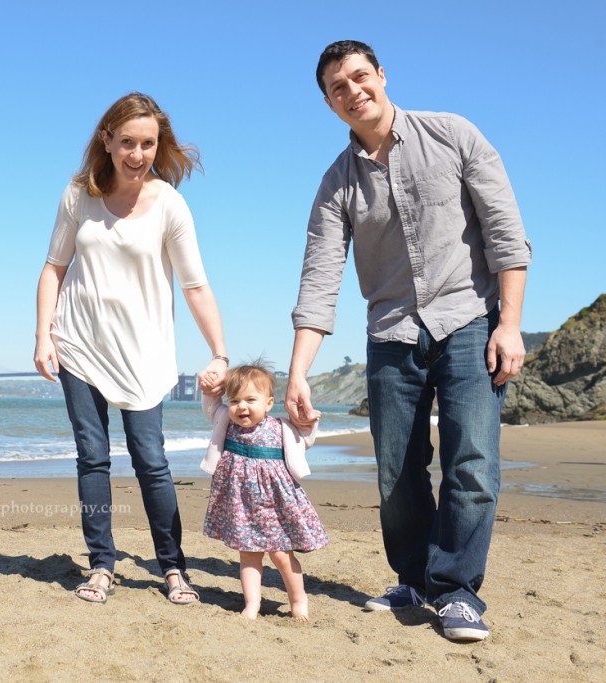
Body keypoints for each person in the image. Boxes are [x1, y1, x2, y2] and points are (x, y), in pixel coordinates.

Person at [286, 40, 531, 641]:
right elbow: (320, 281)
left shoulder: (452, 133)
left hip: (470, 320)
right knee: (397, 476)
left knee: (471, 463)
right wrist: (297, 373)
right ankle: (416, 577)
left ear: (382, 75)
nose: (353, 92)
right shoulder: (335, 184)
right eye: (338, 88)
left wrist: (510, 324)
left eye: (360, 77)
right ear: (328, 102)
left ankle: (456, 592)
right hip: (391, 335)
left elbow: (506, 234)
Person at [34, 92, 228, 605]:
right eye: (127, 143)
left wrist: (219, 353)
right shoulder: (78, 195)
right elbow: (53, 268)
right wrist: (42, 335)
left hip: (144, 351)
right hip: (78, 343)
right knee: (93, 457)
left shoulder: (169, 203)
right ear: (107, 141)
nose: (137, 154)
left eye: (147, 143)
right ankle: (101, 565)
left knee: (151, 460)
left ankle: (173, 569)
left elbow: (195, 286)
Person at [199, 363, 328, 621]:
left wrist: (309, 420)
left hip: (275, 504)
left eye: (250, 400)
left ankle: (298, 599)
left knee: (281, 554)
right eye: (234, 400)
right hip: (241, 504)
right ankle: (252, 603)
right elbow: (211, 407)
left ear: (269, 403)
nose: (241, 407)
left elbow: (305, 439)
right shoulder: (225, 421)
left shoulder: (281, 427)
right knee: (248, 554)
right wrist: (210, 388)